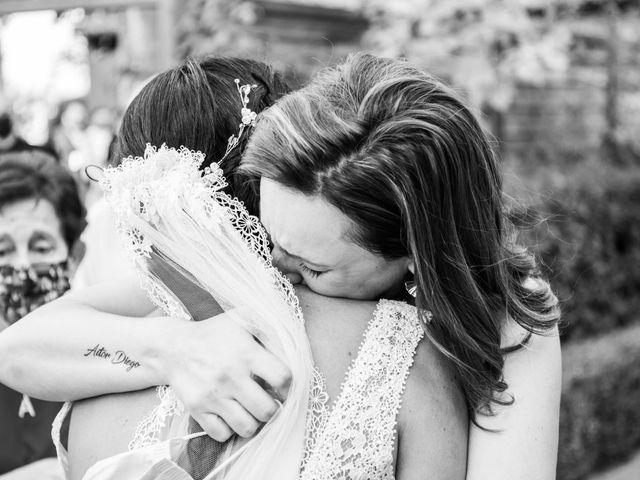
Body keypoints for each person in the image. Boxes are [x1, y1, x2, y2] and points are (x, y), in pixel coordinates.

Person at [0, 53, 560, 479]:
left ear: (417, 251)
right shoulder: (405, 361)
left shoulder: (498, 321)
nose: (276, 266)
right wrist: (174, 347)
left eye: (312, 267)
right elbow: (17, 349)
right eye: (267, 235)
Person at [0, 150, 86, 475]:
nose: (22, 266)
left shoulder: (100, 354)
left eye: (40, 248)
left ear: (75, 256)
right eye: (2, 250)